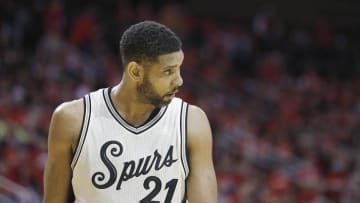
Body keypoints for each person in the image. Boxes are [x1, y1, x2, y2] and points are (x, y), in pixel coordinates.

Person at [43, 20, 217, 203]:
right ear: (135, 72)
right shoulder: (72, 120)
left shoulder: (191, 122)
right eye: (168, 72)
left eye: (179, 69)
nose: (179, 80)